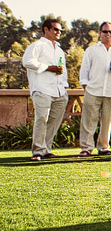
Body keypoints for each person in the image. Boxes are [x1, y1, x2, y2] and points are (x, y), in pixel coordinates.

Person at [21, 18, 68, 162]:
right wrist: (48, 68)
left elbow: (62, 70)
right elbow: (27, 62)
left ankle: (47, 149)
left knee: (54, 121)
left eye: (60, 30)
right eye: (55, 29)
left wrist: (64, 88)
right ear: (46, 29)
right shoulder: (37, 45)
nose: (58, 32)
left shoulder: (59, 50)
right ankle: (37, 151)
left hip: (59, 91)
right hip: (42, 89)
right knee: (42, 119)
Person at [78, 22, 111, 157]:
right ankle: (86, 148)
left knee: (107, 121)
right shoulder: (92, 50)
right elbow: (85, 70)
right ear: (100, 33)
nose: (108, 34)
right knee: (89, 121)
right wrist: (86, 86)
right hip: (93, 90)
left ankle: (104, 147)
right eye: (105, 32)